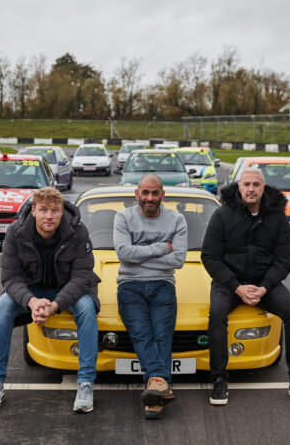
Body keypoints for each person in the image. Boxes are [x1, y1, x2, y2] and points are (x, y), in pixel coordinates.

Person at [201, 168, 290, 406]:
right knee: (217, 313)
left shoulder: (277, 216)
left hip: (265, 283)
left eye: (256, 184)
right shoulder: (222, 214)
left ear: (264, 188)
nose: (251, 189)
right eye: (246, 184)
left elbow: (285, 258)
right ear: (238, 187)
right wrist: (237, 288)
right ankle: (219, 379)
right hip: (229, 283)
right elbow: (210, 257)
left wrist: (264, 287)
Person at [0, 187, 100, 413]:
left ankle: (85, 383)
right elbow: (9, 277)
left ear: (62, 211)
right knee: (3, 306)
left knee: (86, 307)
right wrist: (32, 301)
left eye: (55, 210)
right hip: (32, 290)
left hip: (66, 289)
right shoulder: (15, 233)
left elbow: (83, 277)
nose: (49, 216)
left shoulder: (78, 231)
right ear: (33, 210)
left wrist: (54, 305)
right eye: (43, 210)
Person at [113, 174, 187, 420]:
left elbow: (178, 260)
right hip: (130, 285)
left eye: (155, 193)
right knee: (141, 332)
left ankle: (155, 390)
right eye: (145, 192)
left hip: (163, 284)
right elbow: (124, 254)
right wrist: (161, 247)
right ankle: (159, 385)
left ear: (162, 195)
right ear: (137, 194)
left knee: (162, 334)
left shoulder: (177, 219)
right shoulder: (123, 217)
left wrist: (139, 254)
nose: (150, 198)